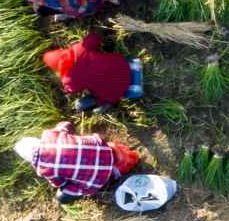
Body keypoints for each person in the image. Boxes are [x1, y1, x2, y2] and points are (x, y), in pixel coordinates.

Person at [14, 121, 143, 204]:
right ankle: (110, 167)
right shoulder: (50, 135)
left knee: (61, 197)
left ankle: (110, 177)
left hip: (98, 179)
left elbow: (61, 183)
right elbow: (67, 124)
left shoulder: (43, 169)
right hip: (105, 150)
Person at [42, 27, 145, 111]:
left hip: (117, 90)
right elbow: (94, 37)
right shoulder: (78, 49)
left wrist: (62, 80)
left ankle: (106, 105)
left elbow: (71, 90)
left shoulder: (69, 81)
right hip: (122, 65)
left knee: (80, 104)